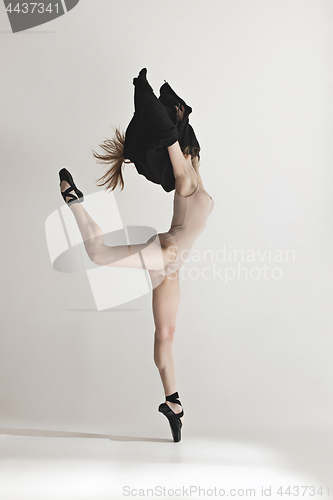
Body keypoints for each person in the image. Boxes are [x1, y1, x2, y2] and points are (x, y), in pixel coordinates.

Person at [58, 69, 214, 442]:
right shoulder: (188, 181)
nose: (194, 155)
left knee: (165, 334)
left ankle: (173, 404)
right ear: (190, 153)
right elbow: (168, 137)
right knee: (98, 253)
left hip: (171, 268)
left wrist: (173, 113)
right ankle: (76, 204)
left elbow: (176, 137)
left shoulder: (196, 182)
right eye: (192, 152)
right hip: (165, 253)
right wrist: (144, 91)